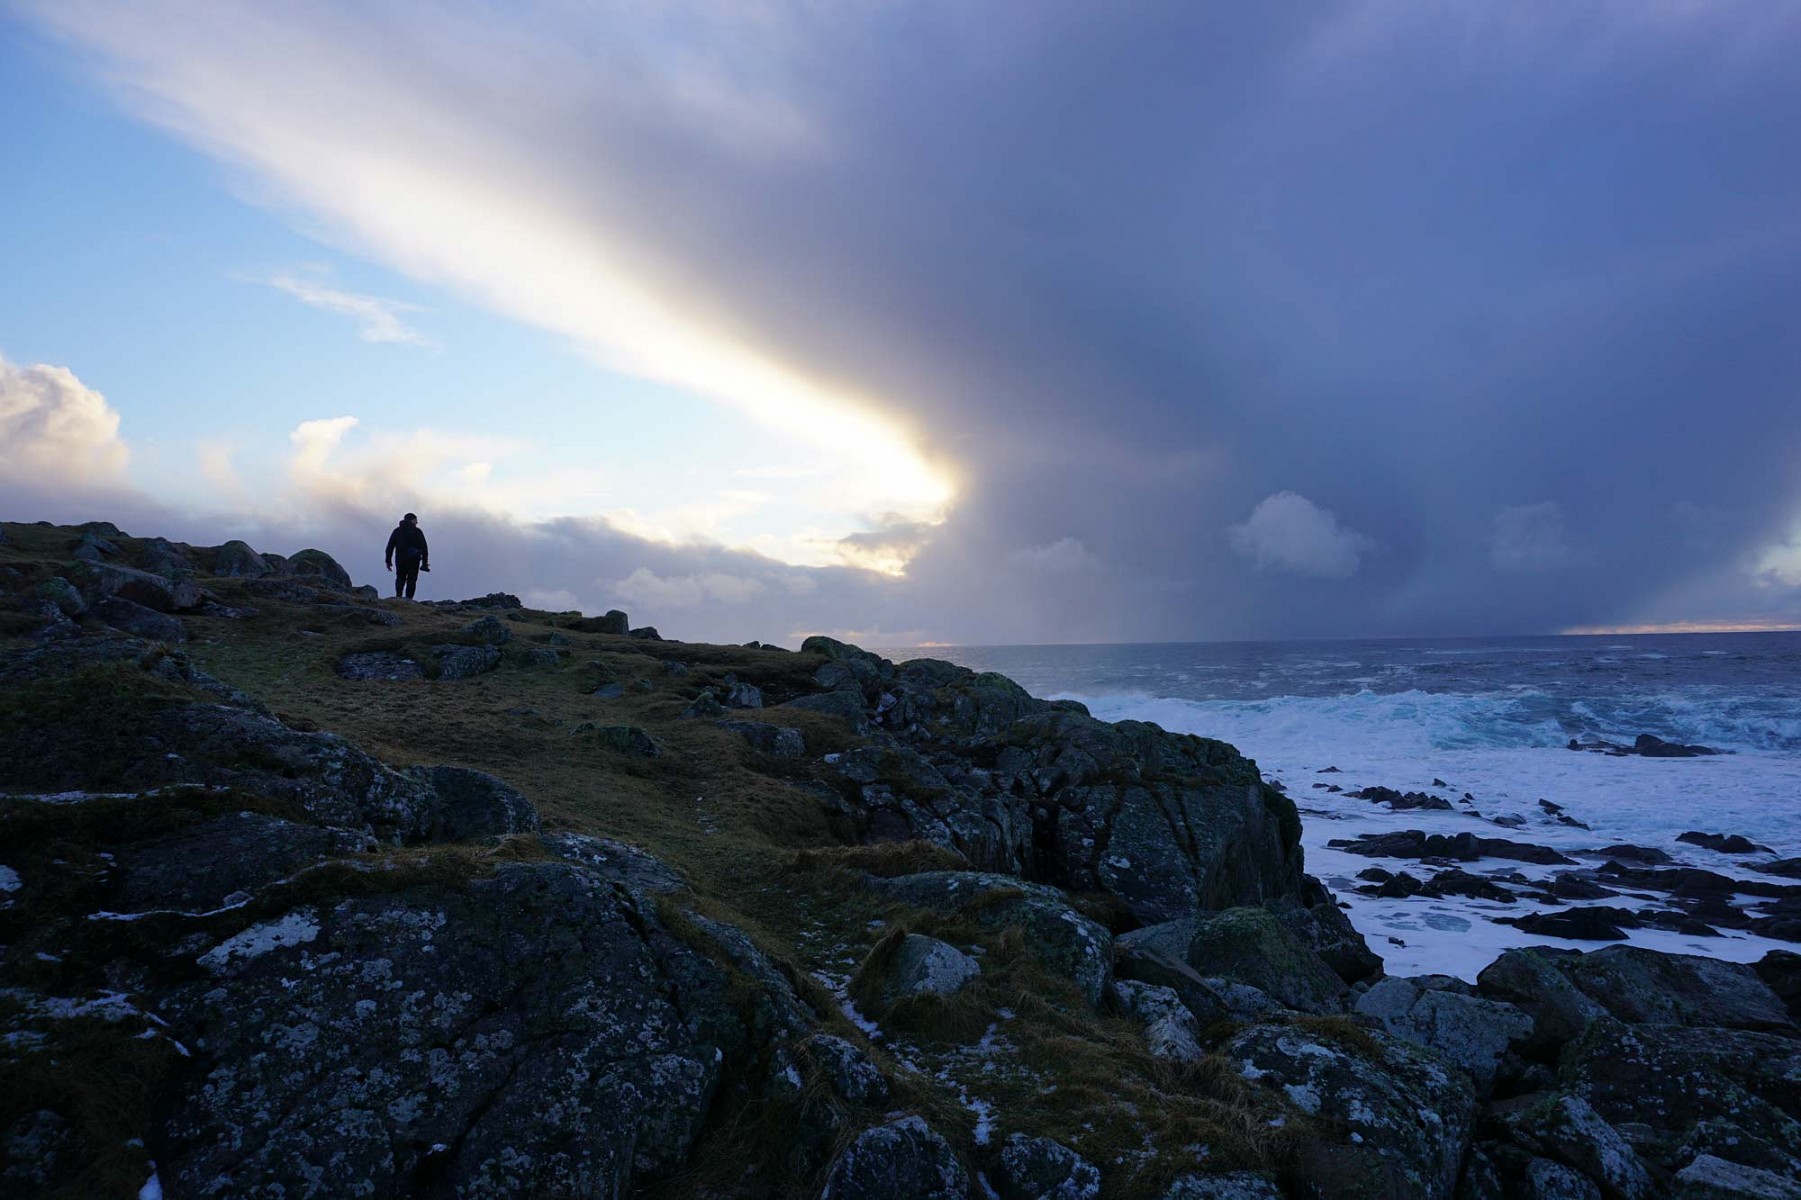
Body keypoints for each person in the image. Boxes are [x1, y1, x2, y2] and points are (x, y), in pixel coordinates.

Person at [384, 512, 430, 599]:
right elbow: (424, 548)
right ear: (411, 520)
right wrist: (425, 562)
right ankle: (409, 599)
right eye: (415, 521)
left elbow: (390, 547)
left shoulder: (397, 531)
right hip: (414, 560)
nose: (416, 523)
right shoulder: (417, 532)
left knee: (400, 578)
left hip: (400, 560)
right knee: (412, 580)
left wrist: (388, 561)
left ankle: (398, 597)